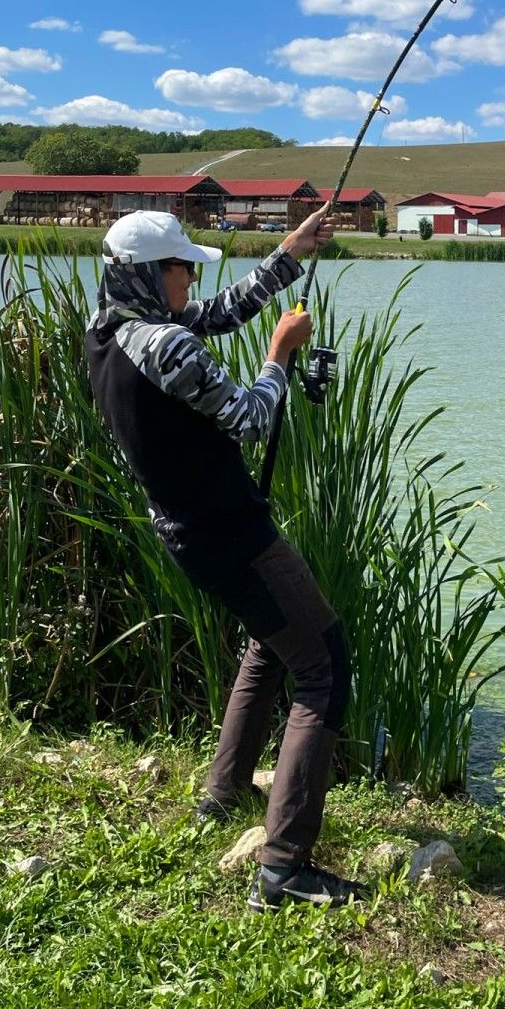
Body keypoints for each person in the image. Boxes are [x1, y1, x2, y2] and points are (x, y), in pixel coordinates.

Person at [85, 207, 363, 912]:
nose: (189, 279)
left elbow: (211, 313)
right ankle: (284, 869)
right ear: (151, 274)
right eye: (181, 267)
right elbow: (249, 418)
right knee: (323, 662)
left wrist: (288, 254)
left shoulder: (112, 331)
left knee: (271, 644)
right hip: (229, 532)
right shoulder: (165, 346)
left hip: (189, 531)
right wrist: (280, 355)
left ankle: (224, 794)